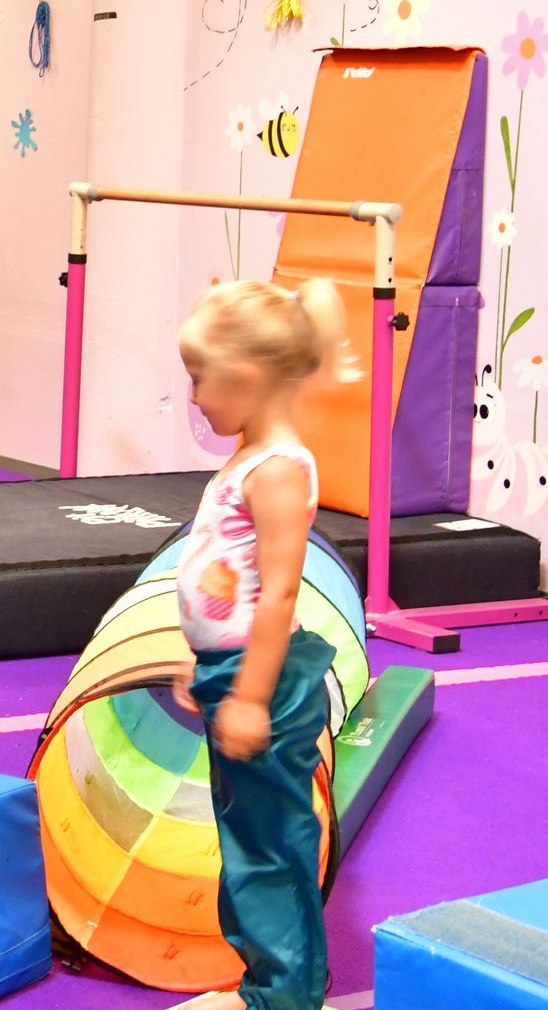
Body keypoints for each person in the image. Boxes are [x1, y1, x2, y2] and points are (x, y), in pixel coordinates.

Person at [170, 279, 357, 1010]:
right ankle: (268, 986)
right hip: (234, 671)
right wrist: (201, 658)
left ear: (246, 378)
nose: (193, 397)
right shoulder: (253, 455)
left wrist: (249, 695)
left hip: (265, 684)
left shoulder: (278, 468)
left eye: (198, 378)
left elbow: (279, 593)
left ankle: (285, 997)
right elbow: (230, 575)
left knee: (270, 850)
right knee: (247, 840)